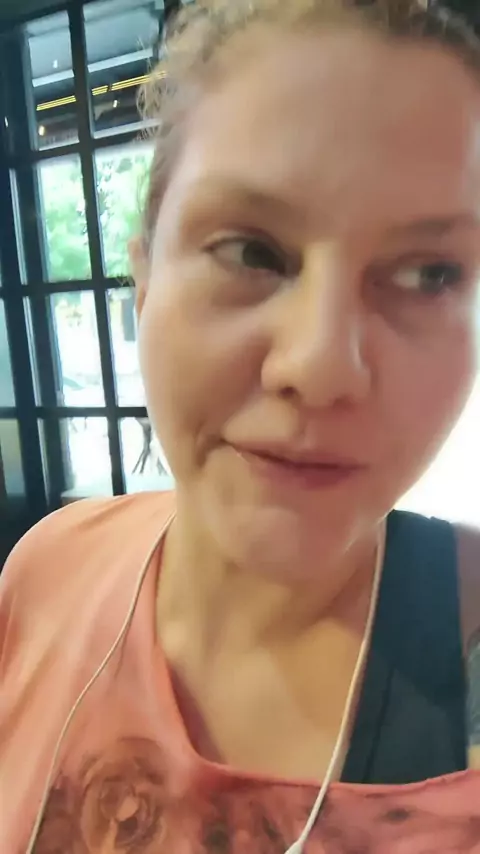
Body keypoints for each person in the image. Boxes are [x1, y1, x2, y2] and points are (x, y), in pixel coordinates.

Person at [2, 0, 480, 851]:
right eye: (254, 251)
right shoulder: (47, 572)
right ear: (143, 279)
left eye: (429, 273)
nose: (321, 367)